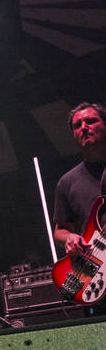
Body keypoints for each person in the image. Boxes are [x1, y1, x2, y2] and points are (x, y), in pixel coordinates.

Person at [53, 102, 106, 257]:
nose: (83, 127)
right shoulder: (67, 182)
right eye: (77, 125)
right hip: (97, 267)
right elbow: (61, 229)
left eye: (90, 121)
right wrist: (69, 237)